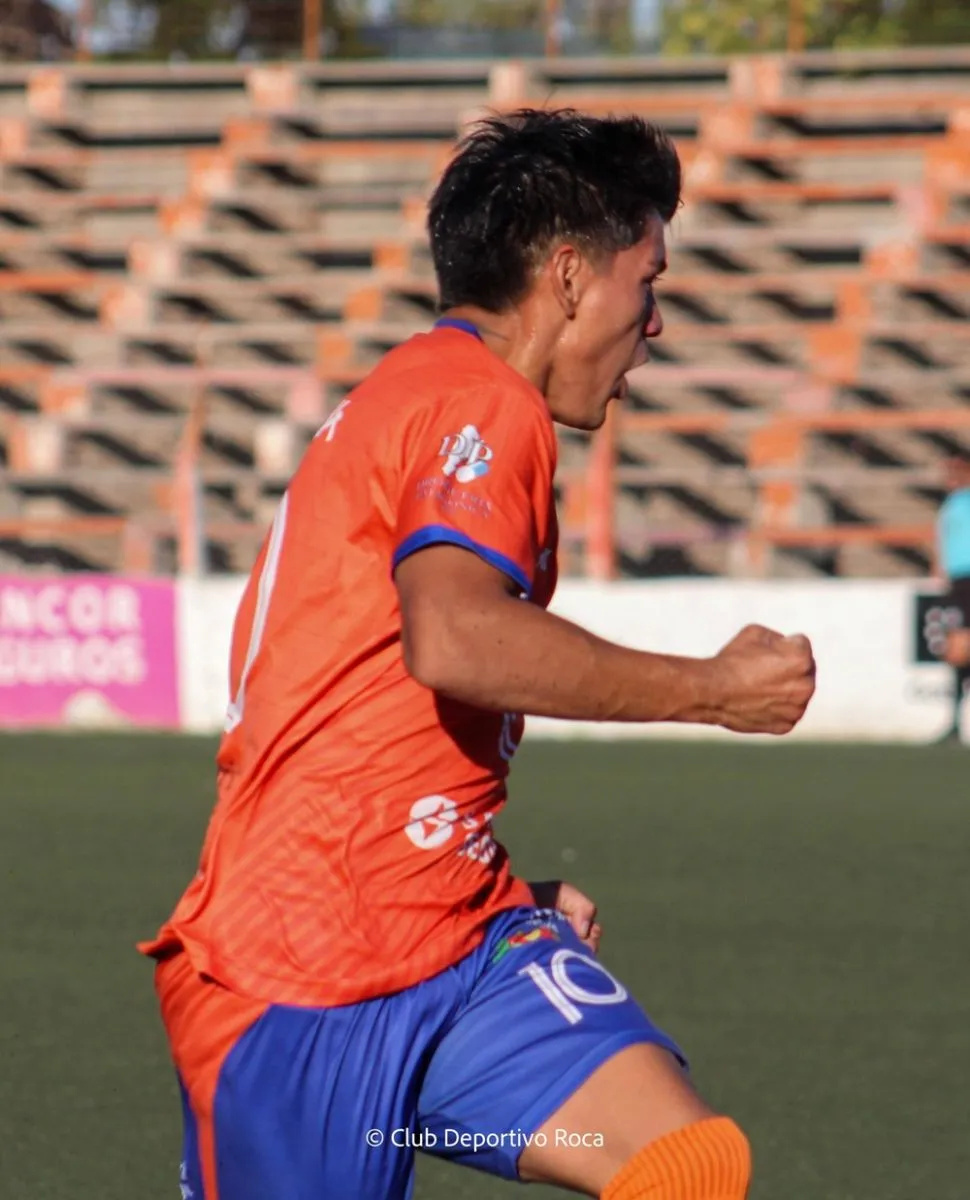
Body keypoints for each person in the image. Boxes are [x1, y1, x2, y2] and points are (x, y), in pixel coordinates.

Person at [140, 109, 816, 1200]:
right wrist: (713, 691)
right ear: (567, 277)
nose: (654, 324)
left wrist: (465, 870)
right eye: (647, 283)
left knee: (682, 1164)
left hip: (454, 940)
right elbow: (453, 637)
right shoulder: (481, 403)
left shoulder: (426, 388)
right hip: (301, 980)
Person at [935, 455, 970, 744]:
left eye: (957, 470)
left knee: (959, 646)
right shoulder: (949, 504)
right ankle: (955, 722)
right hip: (958, 582)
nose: (951, 476)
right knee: (957, 650)